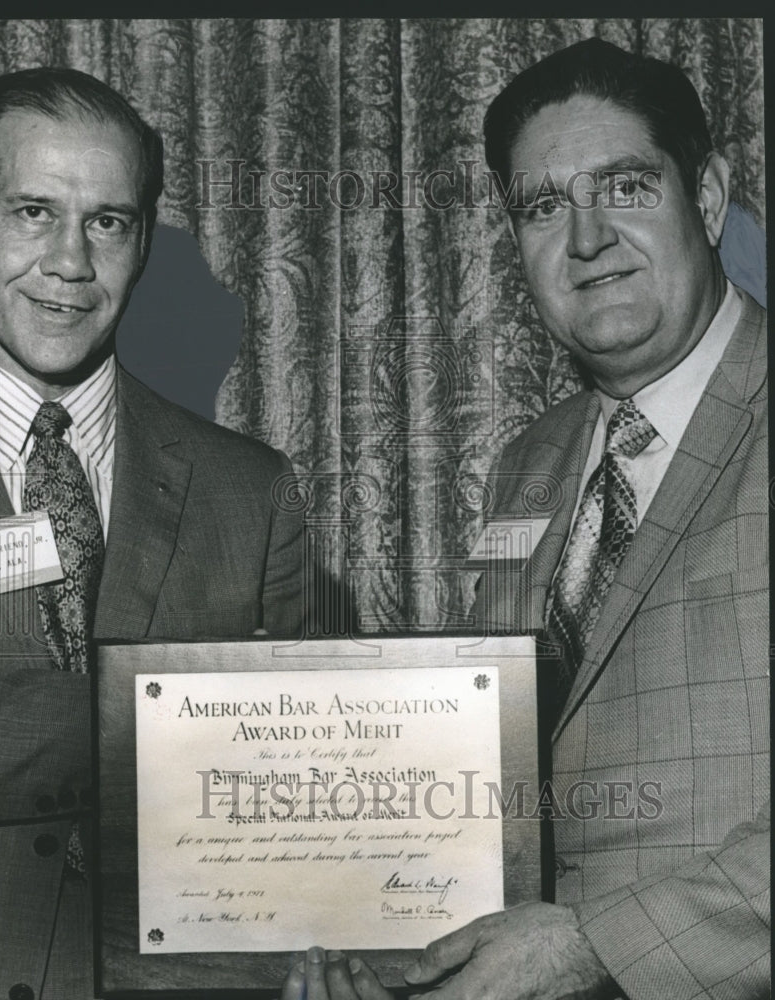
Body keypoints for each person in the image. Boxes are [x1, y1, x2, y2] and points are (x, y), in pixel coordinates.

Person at [284, 38, 768, 1000]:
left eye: (624, 186)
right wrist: (388, 953)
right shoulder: (531, 462)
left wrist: (597, 945)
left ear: (708, 200)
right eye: (544, 206)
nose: (586, 238)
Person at [0, 68, 304, 1000]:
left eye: (108, 222)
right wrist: (184, 704)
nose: (70, 263)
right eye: (33, 211)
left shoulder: (250, 488)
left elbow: (299, 776)